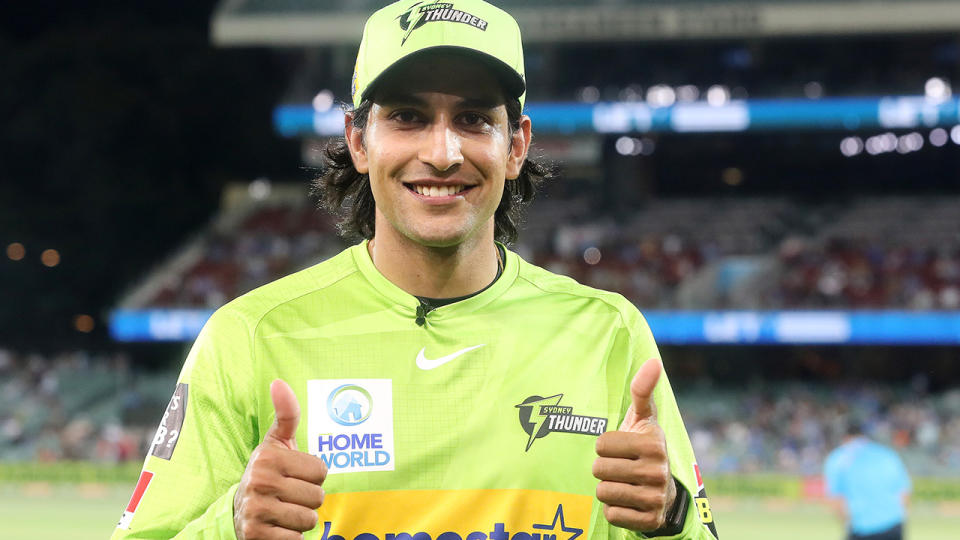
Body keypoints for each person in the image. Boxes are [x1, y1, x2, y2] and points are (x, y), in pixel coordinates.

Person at [111, 1, 718, 538]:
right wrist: (232, 524)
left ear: (517, 146)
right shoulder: (250, 336)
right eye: (407, 116)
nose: (442, 152)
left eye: (475, 119)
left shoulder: (609, 334)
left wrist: (671, 516)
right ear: (357, 140)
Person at [824, 425, 911, 540]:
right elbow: (903, 493)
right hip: (893, 525)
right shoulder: (887, 454)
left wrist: (847, 523)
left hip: (862, 528)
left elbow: (836, 500)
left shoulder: (838, 458)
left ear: (844, 437)